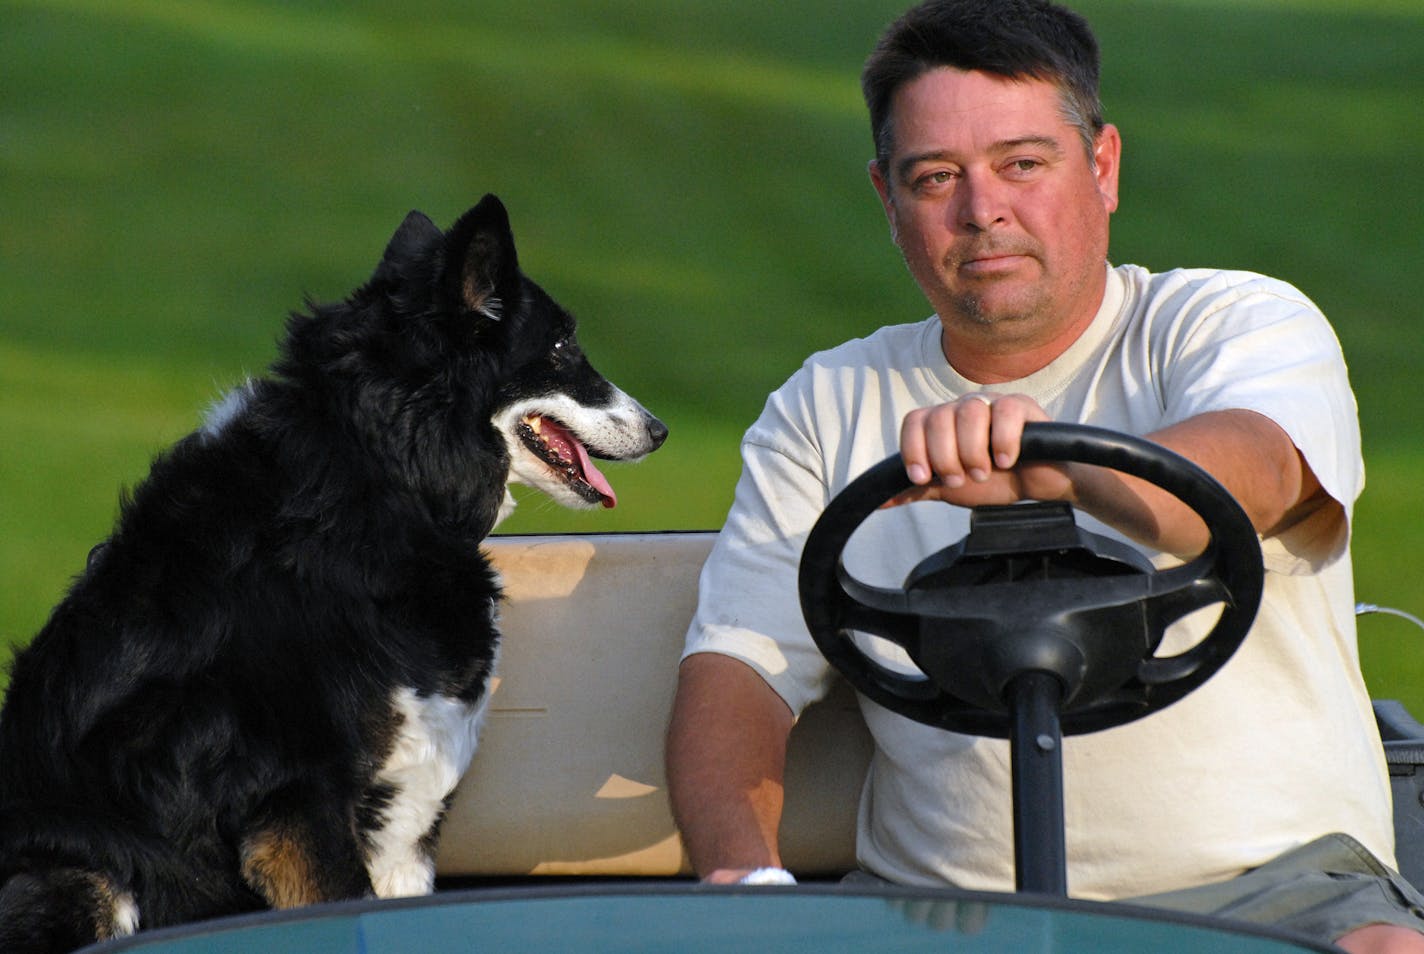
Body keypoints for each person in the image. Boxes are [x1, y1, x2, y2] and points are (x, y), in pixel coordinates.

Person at [663, 1, 1424, 951]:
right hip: (940, 909)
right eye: (936, 177)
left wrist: (1052, 465)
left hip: (1270, 891)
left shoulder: (1228, 324)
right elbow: (739, 673)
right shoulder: (827, 405)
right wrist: (749, 885)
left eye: (1023, 164)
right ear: (885, 198)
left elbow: (1253, 475)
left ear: (1101, 166)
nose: (983, 211)